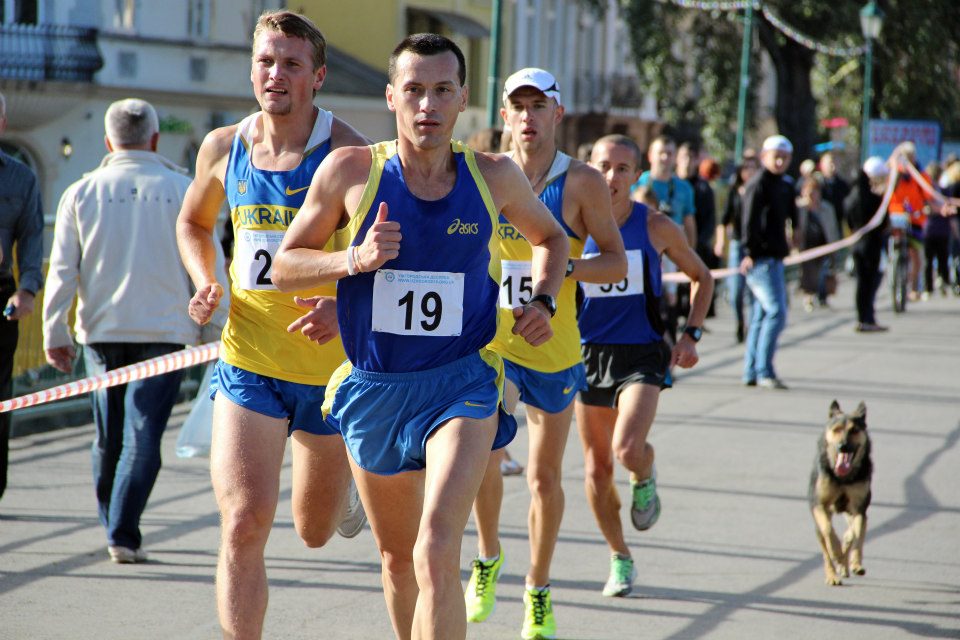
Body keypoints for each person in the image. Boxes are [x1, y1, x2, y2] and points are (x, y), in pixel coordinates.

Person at [271, 34, 569, 640]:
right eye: (414, 90)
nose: (427, 105)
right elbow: (283, 266)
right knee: (398, 559)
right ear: (391, 97)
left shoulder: (494, 175)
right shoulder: (352, 170)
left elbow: (552, 238)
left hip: (462, 384)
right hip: (376, 387)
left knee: (435, 548)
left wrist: (543, 298)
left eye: (441, 90)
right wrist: (353, 261)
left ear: (462, 99)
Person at [175, 11, 368, 638]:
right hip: (249, 360)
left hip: (329, 373)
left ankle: (346, 485)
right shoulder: (223, 146)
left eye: (291, 63)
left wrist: (347, 307)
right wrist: (206, 277)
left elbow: (390, 255)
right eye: (265, 61)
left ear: (318, 76)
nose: (275, 74)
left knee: (313, 532)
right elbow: (194, 222)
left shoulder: (350, 155)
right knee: (243, 522)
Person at [465, 67, 626, 640]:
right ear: (504, 115)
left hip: (554, 349)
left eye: (539, 106)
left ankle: (537, 587)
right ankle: (487, 556)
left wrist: (558, 267)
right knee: (483, 455)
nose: (528, 117)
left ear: (557, 114)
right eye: (518, 106)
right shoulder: (484, 173)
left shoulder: (581, 182)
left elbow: (617, 261)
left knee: (542, 477)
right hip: (492, 344)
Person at [43, 99, 226, 562]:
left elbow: (62, 270)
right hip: (166, 331)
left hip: (100, 331)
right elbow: (210, 264)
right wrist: (215, 327)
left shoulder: (81, 193)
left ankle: (114, 525)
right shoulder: (183, 189)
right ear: (155, 139)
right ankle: (122, 533)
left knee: (107, 436)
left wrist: (54, 331)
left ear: (109, 141)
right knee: (143, 435)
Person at [576, 134, 713, 597]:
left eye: (622, 168)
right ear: (588, 168)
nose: (611, 177)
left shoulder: (655, 226)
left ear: (637, 175)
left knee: (627, 447)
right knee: (596, 471)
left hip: (641, 353)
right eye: (602, 166)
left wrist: (691, 334)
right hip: (586, 354)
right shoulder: (571, 226)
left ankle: (644, 470)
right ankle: (620, 556)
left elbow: (702, 277)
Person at [0, 91, 44, 503]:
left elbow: (31, 236)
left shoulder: (20, 177)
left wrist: (28, 289)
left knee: (1, 398)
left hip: (2, 298)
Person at [740, 135, 798, 390]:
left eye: (784, 157)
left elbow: (792, 216)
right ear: (764, 157)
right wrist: (748, 251)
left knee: (760, 315)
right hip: (760, 259)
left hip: (776, 258)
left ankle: (751, 371)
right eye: (775, 156)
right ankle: (764, 370)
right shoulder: (757, 184)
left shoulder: (786, 184)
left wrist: (794, 236)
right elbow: (748, 221)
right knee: (777, 312)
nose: (779, 161)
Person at [632, 135, 696, 345]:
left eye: (669, 153)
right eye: (661, 152)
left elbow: (689, 222)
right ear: (650, 155)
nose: (665, 158)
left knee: (669, 307)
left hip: (670, 255)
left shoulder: (684, 188)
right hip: (639, 252)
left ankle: (669, 356)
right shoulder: (636, 182)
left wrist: (689, 255)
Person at [715, 155, 759, 342]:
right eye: (746, 168)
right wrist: (720, 241)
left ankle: (754, 326)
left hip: (756, 245)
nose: (749, 172)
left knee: (755, 289)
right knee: (735, 290)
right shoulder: (734, 191)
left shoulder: (760, 190)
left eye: (753, 168)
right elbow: (724, 220)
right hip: (737, 243)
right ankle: (740, 321)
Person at [844, 156, 890, 332]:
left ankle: (862, 318)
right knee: (870, 283)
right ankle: (867, 318)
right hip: (872, 244)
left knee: (861, 283)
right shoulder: (874, 198)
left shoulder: (851, 197)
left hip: (857, 244)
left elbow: (848, 220)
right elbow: (883, 223)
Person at [677, 141, 718, 318]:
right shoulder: (673, 184)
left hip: (696, 246)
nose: (687, 162)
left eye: (691, 158)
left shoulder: (703, 188)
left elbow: (710, 219)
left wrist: (699, 243)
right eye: (684, 157)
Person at [796, 177, 840, 311]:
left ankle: (823, 296)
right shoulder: (799, 208)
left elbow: (832, 228)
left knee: (823, 272)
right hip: (806, 246)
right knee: (808, 273)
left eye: (814, 191)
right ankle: (809, 297)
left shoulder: (826, 208)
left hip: (823, 245)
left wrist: (834, 247)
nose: (812, 195)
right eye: (809, 191)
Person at [819, 152, 849, 234]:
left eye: (835, 162)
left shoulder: (843, 185)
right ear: (822, 165)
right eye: (830, 163)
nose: (833, 166)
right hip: (821, 225)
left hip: (838, 223)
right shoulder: (818, 184)